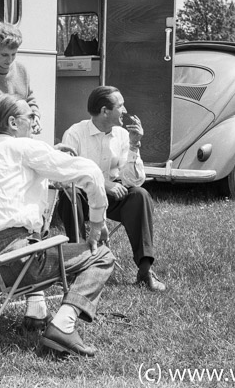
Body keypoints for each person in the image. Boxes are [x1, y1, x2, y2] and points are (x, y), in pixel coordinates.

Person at [0, 93, 114, 357]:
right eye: (30, 117)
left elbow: (13, 182)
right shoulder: (26, 148)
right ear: (13, 122)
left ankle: (36, 313)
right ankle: (63, 326)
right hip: (12, 261)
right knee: (101, 256)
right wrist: (95, 223)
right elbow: (91, 173)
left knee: (36, 232)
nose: (35, 123)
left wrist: (49, 156)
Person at [57, 86, 167, 292]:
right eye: (120, 106)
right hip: (83, 197)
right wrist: (103, 184)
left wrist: (135, 145)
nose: (125, 110)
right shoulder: (75, 134)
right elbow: (67, 174)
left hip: (114, 198)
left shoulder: (123, 135)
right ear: (105, 111)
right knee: (69, 196)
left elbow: (133, 181)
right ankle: (78, 265)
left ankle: (145, 271)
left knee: (140, 196)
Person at [0, 21, 41, 148]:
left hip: (19, 137)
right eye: (4, 55)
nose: (9, 60)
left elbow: (29, 98)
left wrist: (34, 116)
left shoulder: (21, 70)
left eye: (13, 54)